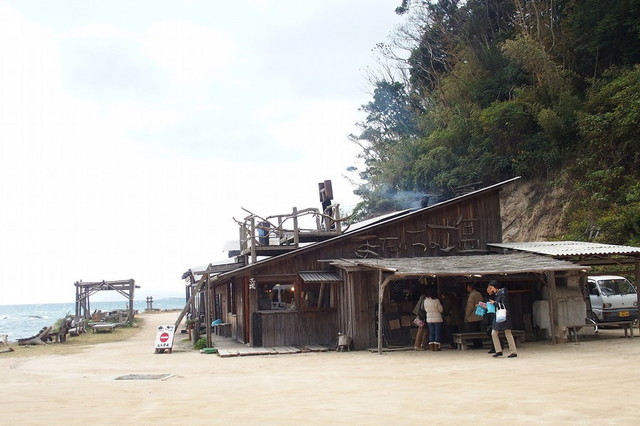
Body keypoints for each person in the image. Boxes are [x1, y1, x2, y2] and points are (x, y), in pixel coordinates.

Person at [487, 280, 518, 358]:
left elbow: (504, 304)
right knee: (494, 333)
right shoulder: (497, 294)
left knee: (507, 333)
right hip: (499, 315)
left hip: (504, 315)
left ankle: (513, 352)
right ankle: (498, 350)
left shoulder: (503, 292)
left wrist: (494, 303)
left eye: (491, 287)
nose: (490, 289)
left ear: (495, 287)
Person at [464, 283, 484, 349]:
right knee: (478, 331)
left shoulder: (472, 295)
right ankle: (479, 344)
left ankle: (476, 345)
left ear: (470, 288)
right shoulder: (479, 294)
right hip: (479, 314)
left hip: (473, 316)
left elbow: (470, 306)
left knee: (473, 331)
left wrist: (467, 314)